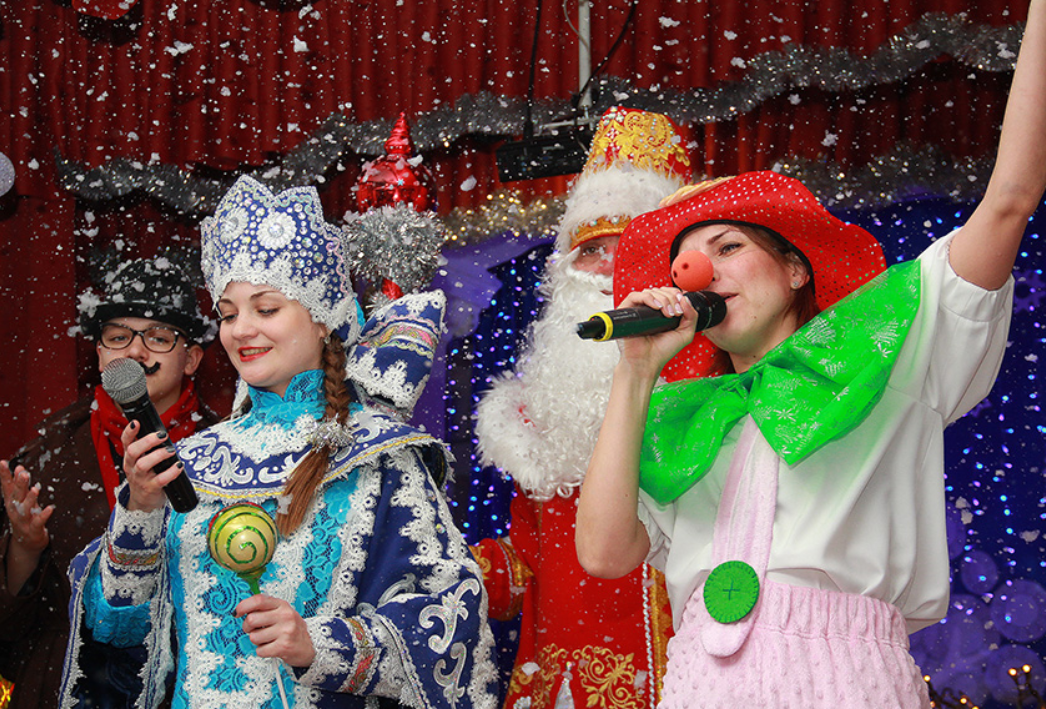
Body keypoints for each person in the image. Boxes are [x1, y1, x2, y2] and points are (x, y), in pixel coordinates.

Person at [574, 0, 1046, 705]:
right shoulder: (681, 420)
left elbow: (1009, 198)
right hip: (699, 680)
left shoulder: (890, 350)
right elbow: (605, 554)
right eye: (685, 265)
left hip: (847, 674)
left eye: (729, 247)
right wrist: (636, 373)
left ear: (797, 270)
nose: (702, 272)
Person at [58, 176, 498, 709]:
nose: (241, 329)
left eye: (265, 309)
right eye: (227, 313)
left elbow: (452, 624)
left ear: (321, 320)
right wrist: (141, 510)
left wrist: (321, 645)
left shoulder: (379, 456)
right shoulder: (194, 458)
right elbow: (115, 634)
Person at [471, 107, 692, 708]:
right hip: (565, 684)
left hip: (693, 675)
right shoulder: (536, 420)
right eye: (594, 250)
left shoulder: (715, 392)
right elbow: (526, 565)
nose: (611, 268)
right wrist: (445, 569)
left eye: (632, 248)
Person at [0, 257, 218, 709]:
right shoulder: (45, 457)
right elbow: (2, 629)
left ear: (191, 358)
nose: (135, 353)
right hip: (65, 684)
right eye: (118, 337)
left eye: (157, 337)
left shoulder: (228, 455)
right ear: (99, 355)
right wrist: (24, 548)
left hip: (188, 685)